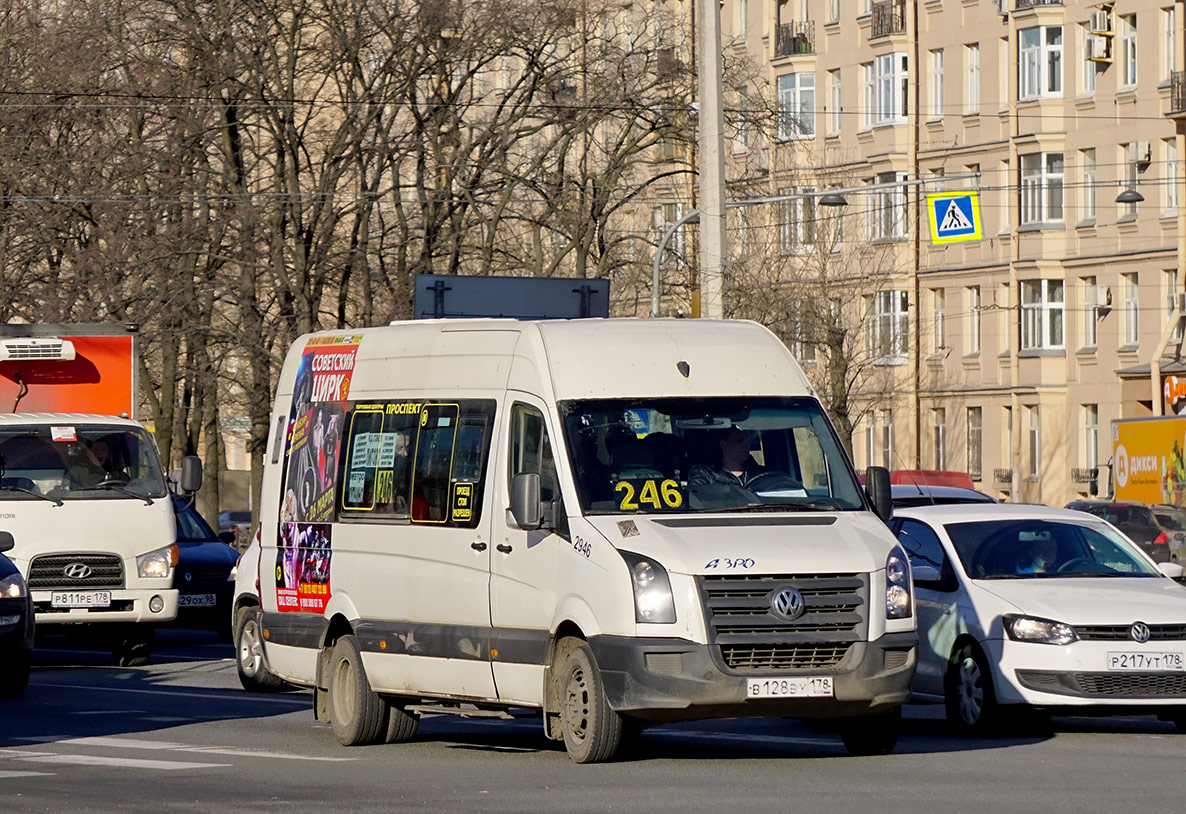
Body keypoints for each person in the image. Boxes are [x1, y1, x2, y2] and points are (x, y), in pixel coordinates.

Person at [688, 427, 771, 488]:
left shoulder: (762, 474)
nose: (746, 445)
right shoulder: (704, 474)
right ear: (724, 445)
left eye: (747, 441)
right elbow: (699, 503)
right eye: (739, 441)